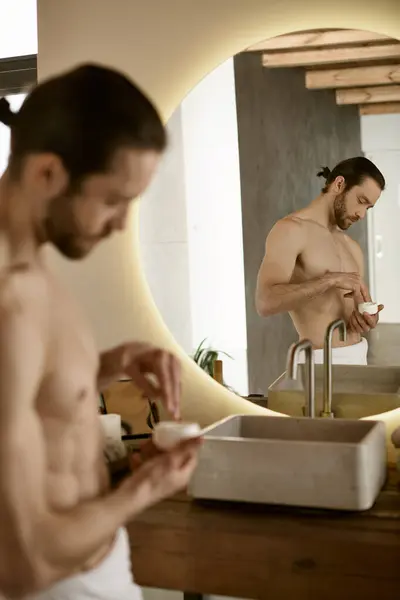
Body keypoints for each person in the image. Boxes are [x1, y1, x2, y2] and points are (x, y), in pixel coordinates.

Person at [0, 64, 201, 600]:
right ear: (47, 174)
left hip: (100, 566)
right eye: (114, 200)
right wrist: (145, 489)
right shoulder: (8, 299)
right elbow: (23, 561)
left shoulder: (33, 266)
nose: (120, 225)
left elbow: (30, 386)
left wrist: (108, 363)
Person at [256, 157, 386, 365]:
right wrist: (328, 280)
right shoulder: (291, 230)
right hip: (319, 364)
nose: (362, 214)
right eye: (361, 201)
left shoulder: (351, 246)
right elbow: (265, 302)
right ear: (339, 184)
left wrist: (365, 320)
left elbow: (354, 309)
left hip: (358, 356)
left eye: (368, 208)